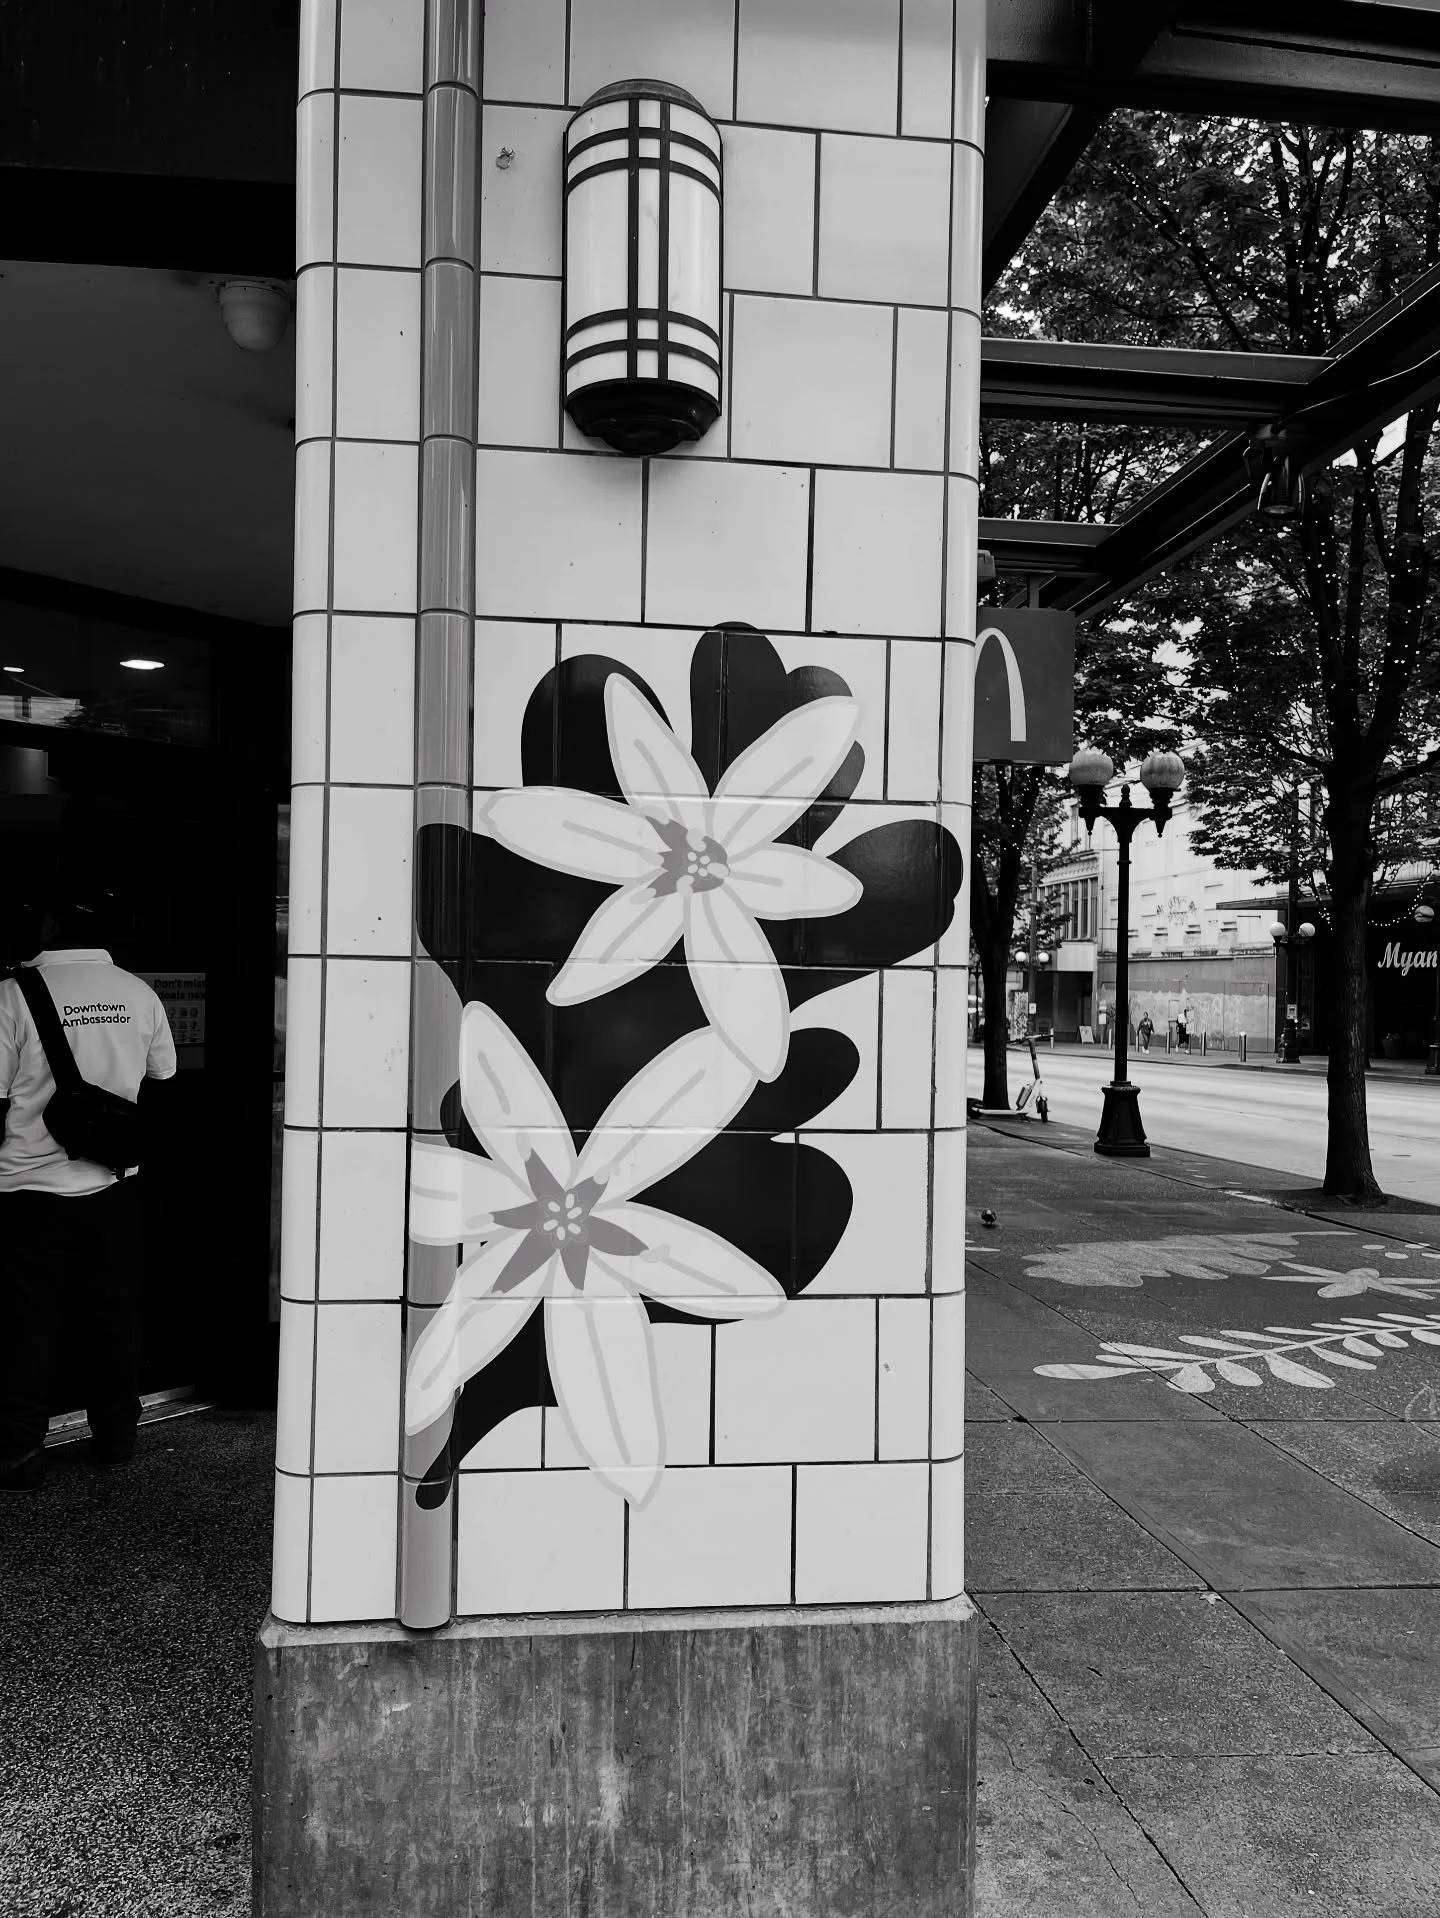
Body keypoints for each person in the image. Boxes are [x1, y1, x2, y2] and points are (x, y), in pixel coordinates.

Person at [0, 891, 175, 1490]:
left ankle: (21, 1451)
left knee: (25, 1323)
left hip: (26, 1187)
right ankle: (116, 1437)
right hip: (114, 1185)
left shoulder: (11, 995)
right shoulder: (139, 992)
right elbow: (162, 1077)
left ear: (47, 925)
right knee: (113, 1313)